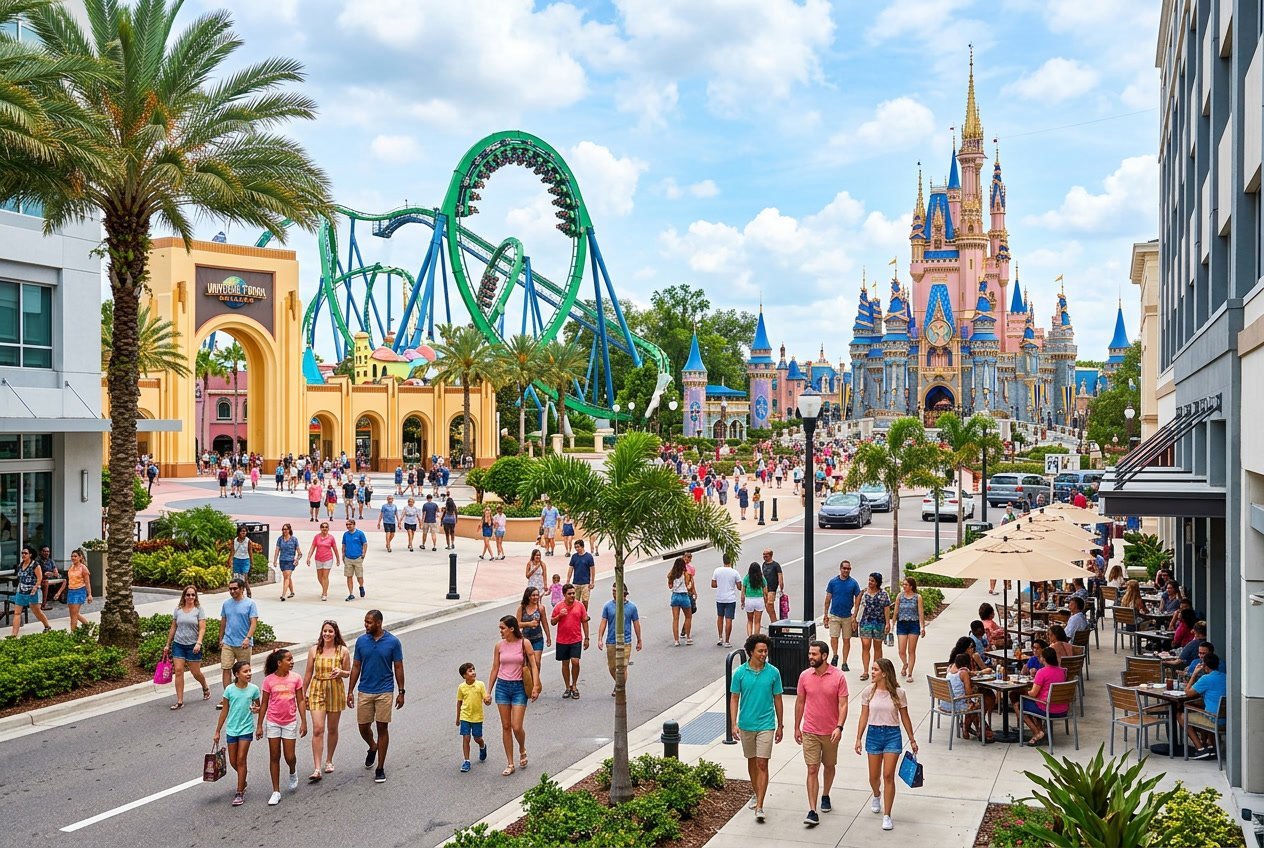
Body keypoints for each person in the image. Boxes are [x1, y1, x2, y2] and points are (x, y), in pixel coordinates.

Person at [854, 657, 918, 832]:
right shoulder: (868, 692)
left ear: (884, 673)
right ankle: (876, 794)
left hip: (892, 734)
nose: (872, 672)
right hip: (874, 734)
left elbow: (905, 717)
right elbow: (864, 716)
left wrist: (912, 739)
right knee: (873, 777)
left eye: (875, 670)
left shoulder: (899, 693)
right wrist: (858, 737)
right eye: (872, 669)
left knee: (888, 776)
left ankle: (887, 815)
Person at [729, 633, 784, 824]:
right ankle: (756, 791)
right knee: (752, 762)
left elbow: (778, 698)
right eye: (760, 651)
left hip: (766, 724)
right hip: (746, 724)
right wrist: (733, 723)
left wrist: (780, 724)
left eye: (765, 651)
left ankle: (760, 805)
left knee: (762, 763)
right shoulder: (740, 673)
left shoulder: (773, 673)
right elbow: (734, 698)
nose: (763, 654)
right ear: (751, 652)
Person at [794, 641, 848, 827]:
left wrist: (839, 727)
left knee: (829, 766)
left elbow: (843, 704)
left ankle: (825, 795)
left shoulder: (838, 676)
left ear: (824, 656)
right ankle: (812, 810)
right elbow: (800, 702)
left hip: (831, 732)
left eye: (814, 654)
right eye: (809, 654)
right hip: (810, 730)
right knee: (812, 768)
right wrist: (796, 726)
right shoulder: (804, 676)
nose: (810, 657)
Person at [347, 610, 404, 784]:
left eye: (369, 622)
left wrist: (401, 692)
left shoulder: (393, 642)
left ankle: (380, 768)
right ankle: (373, 746)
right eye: (365, 622)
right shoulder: (361, 641)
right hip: (365, 689)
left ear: (379, 623)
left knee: (382, 728)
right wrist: (350, 691)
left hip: (385, 690)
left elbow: (399, 667)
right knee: (363, 727)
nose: (366, 625)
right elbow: (356, 666)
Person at [487, 615, 539, 775]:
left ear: (511, 629)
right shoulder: (499, 646)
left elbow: (533, 665)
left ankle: (522, 748)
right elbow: (495, 667)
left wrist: (535, 685)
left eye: (502, 628)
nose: (500, 631)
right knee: (506, 726)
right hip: (502, 687)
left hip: (519, 688)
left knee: (517, 726)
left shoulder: (524, 643)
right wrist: (488, 691)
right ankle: (510, 762)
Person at [256, 648, 307, 806]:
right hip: (273, 721)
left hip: (290, 722)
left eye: (292, 659)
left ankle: (292, 771)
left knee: (289, 756)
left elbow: (300, 700)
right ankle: (276, 791)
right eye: (288, 659)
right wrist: (259, 725)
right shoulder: (269, 680)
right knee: (274, 756)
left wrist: (304, 722)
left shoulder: (296, 678)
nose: (292, 662)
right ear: (279, 663)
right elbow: (264, 703)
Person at [303, 620, 350, 781]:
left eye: (330, 631)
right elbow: (308, 673)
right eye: (325, 631)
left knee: (332, 728)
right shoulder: (314, 650)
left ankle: (329, 760)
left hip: (335, 689)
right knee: (318, 728)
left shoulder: (342, 651)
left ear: (335, 633)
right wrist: (303, 692)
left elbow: (348, 672)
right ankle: (317, 767)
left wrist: (341, 671)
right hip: (317, 688)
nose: (327, 634)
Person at [212, 660, 261, 806]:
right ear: (237, 674)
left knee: (241, 759)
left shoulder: (254, 689)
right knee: (233, 761)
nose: (249, 674)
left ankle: (239, 792)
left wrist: (257, 711)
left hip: (246, 729)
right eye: (245, 671)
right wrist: (217, 731)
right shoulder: (229, 690)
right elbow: (225, 710)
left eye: (250, 671)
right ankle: (243, 778)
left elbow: (258, 706)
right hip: (232, 729)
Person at [164, 585, 210, 709]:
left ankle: (205, 686)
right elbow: (173, 627)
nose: (190, 597)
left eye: (193, 595)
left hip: (193, 645)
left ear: (195, 597)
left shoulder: (198, 610)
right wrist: (168, 644)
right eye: (188, 594)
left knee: (195, 672)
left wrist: (199, 643)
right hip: (179, 644)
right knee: (178, 671)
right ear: (184, 596)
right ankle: (179, 700)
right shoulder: (178, 610)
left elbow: (202, 628)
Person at [1013, 647, 1068, 746]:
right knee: (1034, 702)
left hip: (1047, 708)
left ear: (1044, 659)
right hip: (1063, 709)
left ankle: (1037, 732)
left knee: (1018, 704)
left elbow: (1033, 693)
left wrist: (1024, 692)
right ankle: (1040, 730)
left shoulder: (1042, 672)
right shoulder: (1062, 671)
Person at [598, 585, 642, 696]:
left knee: (622, 667)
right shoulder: (608, 606)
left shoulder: (632, 607)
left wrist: (639, 639)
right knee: (612, 667)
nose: (613, 593)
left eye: (616, 591)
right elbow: (603, 622)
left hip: (625, 641)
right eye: (612, 591)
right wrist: (600, 638)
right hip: (611, 640)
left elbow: (636, 623)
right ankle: (618, 683)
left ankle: (620, 687)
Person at [1179, 652, 1226, 759]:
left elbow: (1188, 692)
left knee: (1181, 715)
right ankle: (1211, 745)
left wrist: (1194, 674)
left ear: (1204, 666)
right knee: (1204, 709)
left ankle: (1200, 748)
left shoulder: (1206, 678)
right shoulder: (1226, 677)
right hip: (1227, 719)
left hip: (1213, 719)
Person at [944, 650, 995, 742]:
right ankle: (969, 728)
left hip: (946, 702)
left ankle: (974, 728)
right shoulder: (963, 673)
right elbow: (969, 693)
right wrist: (975, 690)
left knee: (974, 703)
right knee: (980, 703)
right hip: (957, 703)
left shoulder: (950, 668)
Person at [218, 579, 258, 696]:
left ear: (242, 589)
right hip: (228, 642)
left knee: (244, 671)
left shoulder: (250, 604)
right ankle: (228, 696)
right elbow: (223, 622)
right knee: (226, 669)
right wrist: (221, 638)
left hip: (243, 644)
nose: (232, 591)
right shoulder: (226, 604)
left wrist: (248, 638)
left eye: (235, 588)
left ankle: (244, 695)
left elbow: (253, 622)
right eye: (230, 589)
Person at [551, 583, 590, 699]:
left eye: (573, 593)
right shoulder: (558, 606)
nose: (572, 595)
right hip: (562, 640)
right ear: (564, 595)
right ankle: (567, 687)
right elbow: (552, 622)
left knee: (575, 662)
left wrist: (587, 638)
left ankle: (575, 685)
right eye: (569, 594)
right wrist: (559, 615)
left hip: (576, 639)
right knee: (565, 664)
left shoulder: (580, 606)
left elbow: (584, 621)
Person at [822, 560, 861, 671]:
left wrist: (855, 615)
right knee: (834, 637)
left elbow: (858, 596)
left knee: (846, 639)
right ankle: (835, 655)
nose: (846, 570)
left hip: (847, 616)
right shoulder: (833, 582)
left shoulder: (853, 583)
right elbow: (828, 599)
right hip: (834, 614)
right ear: (840, 569)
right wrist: (825, 614)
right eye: (844, 568)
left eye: (848, 569)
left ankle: (844, 662)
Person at [455, 662, 491, 772]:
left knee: (477, 738)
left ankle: (482, 746)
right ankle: (467, 761)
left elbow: (485, 699)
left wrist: (487, 701)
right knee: (466, 738)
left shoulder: (480, 685)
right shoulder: (461, 687)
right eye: (470, 671)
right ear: (464, 676)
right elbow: (459, 702)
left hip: (477, 717)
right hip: (465, 716)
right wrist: (458, 718)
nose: (473, 672)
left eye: (474, 669)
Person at [855, 572, 891, 680]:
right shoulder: (864, 593)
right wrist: (854, 618)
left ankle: (876, 670)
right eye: (869, 580)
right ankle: (865, 671)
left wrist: (887, 623)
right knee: (865, 645)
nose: (870, 582)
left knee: (877, 646)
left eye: (872, 581)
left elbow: (886, 608)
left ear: (877, 583)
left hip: (879, 622)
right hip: (865, 622)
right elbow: (857, 605)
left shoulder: (883, 594)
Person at [892, 577, 925, 682]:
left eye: (906, 585)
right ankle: (905, 664)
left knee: (911, 650)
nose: (904, 586)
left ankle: (910, 673)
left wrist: (922, 626)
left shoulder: (917, 597)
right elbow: (896, 611)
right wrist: (892, 623)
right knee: (901, 651)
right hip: (902, 624)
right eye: (903, 584)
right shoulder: (900, 596)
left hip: (913, 624)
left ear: (911, 586)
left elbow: (920, 612)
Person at [711, 556, 742, 648]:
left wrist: (720, 584)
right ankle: (727, 641)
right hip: (730, 598)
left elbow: (713, 584)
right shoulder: (735, 572)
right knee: (729, 619)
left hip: (720, 598)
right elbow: (739, 587)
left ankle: (720, 637)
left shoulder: (717, 571)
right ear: (731, 561)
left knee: (720, 617)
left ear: (723, 561)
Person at [306, 521, 340, 601]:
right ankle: (325, 587)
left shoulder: (331, 538)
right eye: (323, 527)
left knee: (325, 576)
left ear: (328, 529)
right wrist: (308, 557)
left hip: (328, 559)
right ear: (320, 528)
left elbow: (335, 549)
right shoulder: (316, 537)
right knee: (319, 577)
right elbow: (313, 547)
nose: (324, 528)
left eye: (326, 527)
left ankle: (324, 593)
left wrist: (338, 559)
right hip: (318, 558)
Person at [667, 556, 695, 647]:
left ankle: (676, 640)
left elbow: (670, 587)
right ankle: (688, 638)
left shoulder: (671, 574)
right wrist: (691, 587)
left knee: (675, 619)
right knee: (688, 617)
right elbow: (688, 586)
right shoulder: (686, 574)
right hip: (683, 596)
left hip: (675, 596)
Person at [63, 548, 92, 632]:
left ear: (80, 557)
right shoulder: (71, 567)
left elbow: (87, 582)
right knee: (73, 613)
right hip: (71, 591)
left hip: (79, 591)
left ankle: (73, 633)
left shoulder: (83, 568)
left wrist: (89, 594)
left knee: (74, 615)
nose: (73, 558)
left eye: (75, 556)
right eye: (72, 556)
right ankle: (87, 625)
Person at [516, 586, 552, 653]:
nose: (536, 597)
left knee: (537, 662)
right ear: (528, 596)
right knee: (527, 662)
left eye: (537, 595)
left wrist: (548, 637)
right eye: (533, 595)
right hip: (525, 639)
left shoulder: (540, 608)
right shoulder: (521, 608)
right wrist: (529, 624)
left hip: (538, 638)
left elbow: (545, 623)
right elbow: (517, 624)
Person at [272, 524, 302, 602]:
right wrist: (275, 560)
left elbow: (300, 553)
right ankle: (292, 592)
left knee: (287, 577)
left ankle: (283, 595)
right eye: (283, 529)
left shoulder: (294, 539)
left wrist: (297, 560)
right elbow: (277, 550)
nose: (284, 531)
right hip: (282, 560)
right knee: (287, 577)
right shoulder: (280, 539)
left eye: (286, 529)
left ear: (289, 530)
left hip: (291, 561)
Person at [341, 519, 368, 602]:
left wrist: (363, 554)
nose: (348, 526)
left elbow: (365, 544)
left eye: (350, 524)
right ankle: (351, 593)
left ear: (354, 525)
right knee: (349, 576)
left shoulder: (360, 534)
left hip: (358, 558)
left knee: (359, 576)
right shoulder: (345, 534)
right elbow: (344, 545)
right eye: (347, 525)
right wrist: (343, 554)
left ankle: (361, 586)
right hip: (348, 558)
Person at [566, 540, 596, 606]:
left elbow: (592, 569)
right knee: (575, 600)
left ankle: (584, 614)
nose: (577, 549)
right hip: (576, 582)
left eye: (578, 547)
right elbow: (571, 568)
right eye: (575, 547)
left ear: (582, 547)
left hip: (585, 583)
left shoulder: (589, 557)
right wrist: (568, 581)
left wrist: (592, 581)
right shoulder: (574, 557)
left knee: (585, 600)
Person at [743, 562, 769, 636]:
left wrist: (742, 601)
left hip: (749, 600)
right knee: (757, 622)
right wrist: (765, 600)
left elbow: (743, 591)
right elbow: (765, 591)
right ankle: (756, 638)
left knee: (749, 620)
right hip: (759, 600)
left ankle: (750, 637)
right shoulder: (762, 578)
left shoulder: (747, 577)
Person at [229, 526, 253, 598]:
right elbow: (232, 551)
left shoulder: (248, 541)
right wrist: (230, 560)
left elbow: (250, 552)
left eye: (245, 531)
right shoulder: (234, 541)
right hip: (237, 560)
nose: (243, 533)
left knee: (244, 578)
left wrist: (252, 562)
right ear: (239, 532)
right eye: (242, 531)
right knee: (237, 578)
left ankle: (248, 591)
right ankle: (240, 593)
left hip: (245, 560)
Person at [760, 549, 784, 623]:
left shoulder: (775, 565)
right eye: (763, 554)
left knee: (770, 604)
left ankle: (774, 622)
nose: (764, 556)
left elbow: (780, 575)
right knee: (767, 606)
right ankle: (773, 621)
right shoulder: (764, 564)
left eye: (766, 554)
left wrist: (781, 587)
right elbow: (762, 575)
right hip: (764, 588)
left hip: (772, 588)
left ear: (770, 555)